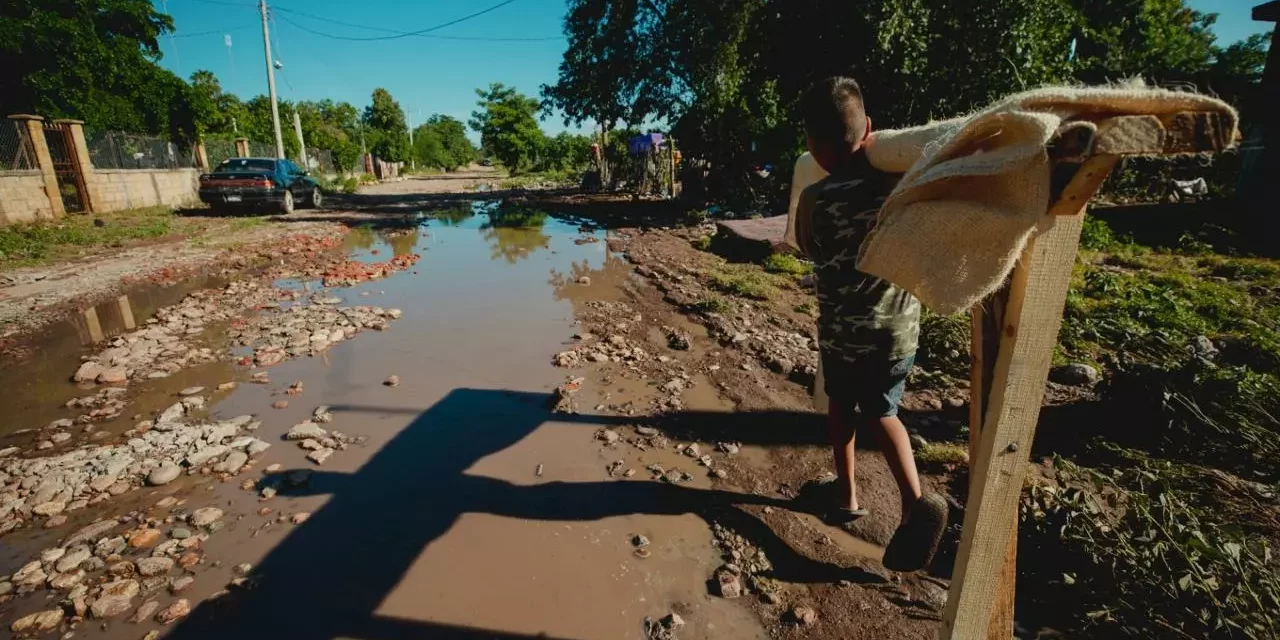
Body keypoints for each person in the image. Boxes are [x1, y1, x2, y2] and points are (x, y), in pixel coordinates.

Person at [792, 75, 948, 572]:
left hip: (841, 332)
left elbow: (809, 247)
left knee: (841, 405)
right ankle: (911, 504)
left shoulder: (816, 198)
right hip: (897, 331)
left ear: (812, 147)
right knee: (885, 411)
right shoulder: (900, 188)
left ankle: (852, 496)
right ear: (870, 130)